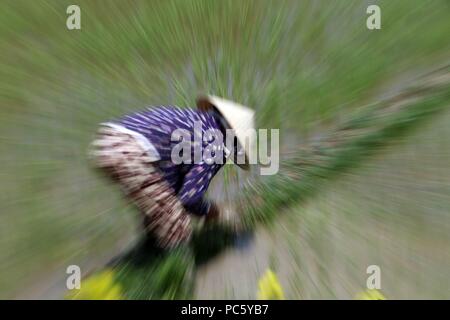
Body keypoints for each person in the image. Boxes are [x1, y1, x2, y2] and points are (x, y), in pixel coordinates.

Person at [89, 95, 255, 249]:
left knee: (161, 207)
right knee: (178, 228)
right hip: (129, 154)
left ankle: (148, 252)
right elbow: (190, 199)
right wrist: (215, 212)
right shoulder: (216, 145)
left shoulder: (195, 119)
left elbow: (169, 180)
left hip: (107, 141)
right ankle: (174, 271)